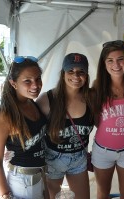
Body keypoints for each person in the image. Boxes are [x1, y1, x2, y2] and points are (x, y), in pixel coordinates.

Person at [36, 53, 94, 199]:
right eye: (71, 71)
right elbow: (31, 128)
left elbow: (104, 122)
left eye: (81, 72)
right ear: (63, 73)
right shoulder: (47, 99)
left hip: (79, 159)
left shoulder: (91, 98)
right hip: (52, 159)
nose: (76, 76)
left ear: (86, 75)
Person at [91, 40, 124, 199]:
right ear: (104, 64)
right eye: (110, 60)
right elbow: (95, 119)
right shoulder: (97, 85)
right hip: (103, 151)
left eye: (120, 59)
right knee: (102, 193)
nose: (116, 64)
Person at [0, 56, 48, 199]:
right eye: (27, 81)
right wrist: (6, 194)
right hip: (22, 183)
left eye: (38, 79)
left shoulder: (33, 103)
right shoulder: (3, 115)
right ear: (13, 83)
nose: (35, 85)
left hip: (41, 177)